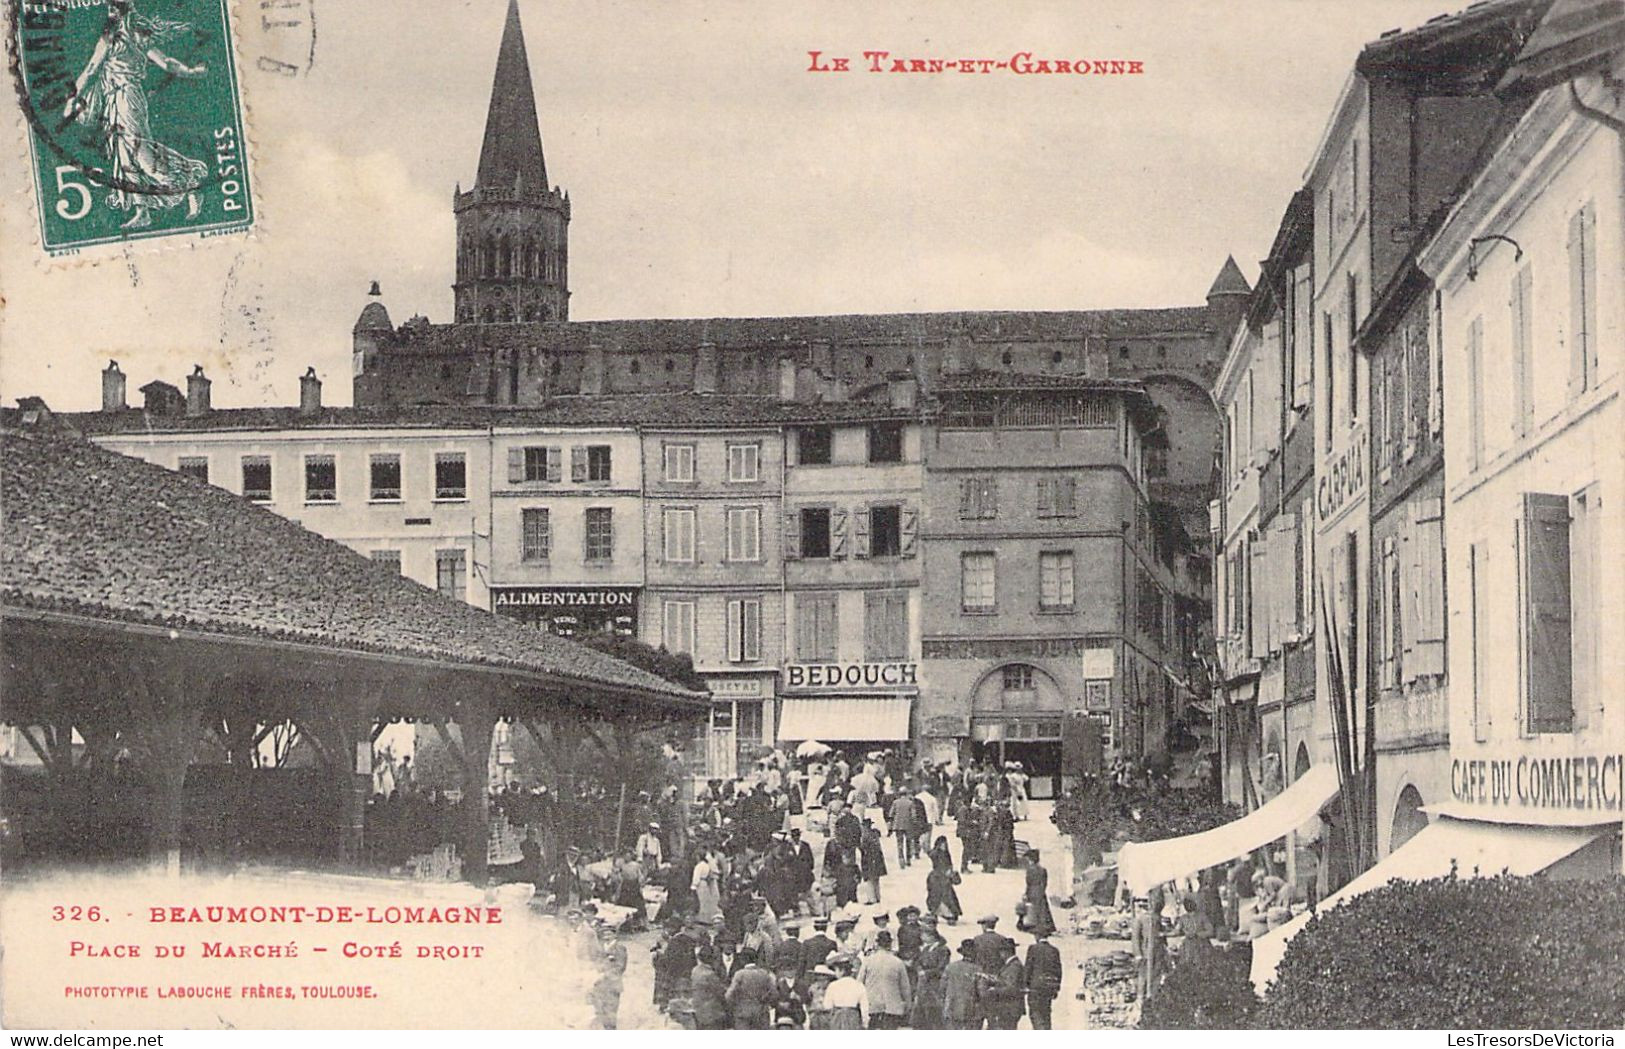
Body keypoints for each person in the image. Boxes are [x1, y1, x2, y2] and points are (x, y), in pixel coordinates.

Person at [64, 3, 209, 230]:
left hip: (128, 98)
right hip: (115, 99)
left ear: (122, 11)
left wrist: (190, 73)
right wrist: (73, 98)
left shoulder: (128, 37)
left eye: (113, 8)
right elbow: (92, 69)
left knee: (141, 155)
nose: (109, 12)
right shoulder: (117, 37)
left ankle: (190, 182)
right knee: (124, 155)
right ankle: (142, 212)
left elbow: (165, 62)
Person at [860, 930, 911, 1029]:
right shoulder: (898, 962)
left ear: (877, 943)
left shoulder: (868, 961)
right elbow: (905, 987)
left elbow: (859, 983)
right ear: (890, 944)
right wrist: (907, 1005)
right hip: (892, 1006)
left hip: (872, 1005)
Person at [1131, 887, 1169, 1004]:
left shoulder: (1158, 918)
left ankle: (1153, 997)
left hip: (1158, 950)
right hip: (1146, 950)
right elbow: (1135, 938)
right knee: (1143, 975)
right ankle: (1141, 998)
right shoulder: (1141, 919)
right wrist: (1138, 954)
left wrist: (1164, 941)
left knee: (1157, 973)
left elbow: (1162, 935)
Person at [910, 917, 949, 1030]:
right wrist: (918, 969)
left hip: (934, 986)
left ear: (931, 937)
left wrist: (926, 973)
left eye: (924, 935)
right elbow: (918, 962)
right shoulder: (926, 949)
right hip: (923, 986)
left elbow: (942, 968)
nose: (922, 938)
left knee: (934, 1014)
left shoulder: (942, 950)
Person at [724, 948, 776, 1029]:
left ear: (743, 959)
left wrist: (734, 1006)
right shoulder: (764, 973)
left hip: (743, 1013)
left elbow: (729, 995)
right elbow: (774, 993)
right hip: (761, 1013)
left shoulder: (739, 974)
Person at [983, 938, 1027, 1029]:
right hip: (1009, 1007)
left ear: (1007, 952)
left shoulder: (1014, 966)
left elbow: (1010, 988)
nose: (1000, 954)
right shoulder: (1011, 965)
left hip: (1010, 1008)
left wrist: (994, 990)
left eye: (1001, 951)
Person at [1024, 928, 1062, 1030]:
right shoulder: (1054, 950)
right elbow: (1058, 971)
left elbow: (1028, 968)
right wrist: (1056, 988)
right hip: (1049, 988)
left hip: (1035, 988)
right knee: (1046, 1014)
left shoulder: (1033, 949)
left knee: (1036, 1015)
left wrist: (1025, 985)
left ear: (1037, 936)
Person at [942, 939, 982, 1030]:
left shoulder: (950, 967)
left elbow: (942, 988)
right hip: (971, 1009)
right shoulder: (977, 969)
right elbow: (981, 991)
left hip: (951, 1007)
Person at [823, 955, 869, 1030]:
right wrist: (865, 1024)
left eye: (836, 970)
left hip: (837, 1018)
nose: (835, 973)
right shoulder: (859, 985)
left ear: (842, 971)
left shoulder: (833, 986)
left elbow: (827, 1006)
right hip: (853, 1018)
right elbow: (865, 1008)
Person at [1019, 848, 1057, 937]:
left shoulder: (1030, 870)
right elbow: (1044, 882)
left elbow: (1028, 883)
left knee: (1033, 909)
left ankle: (1035, 926)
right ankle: (1046, 927)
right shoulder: (1043, 870)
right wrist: (1042, 890)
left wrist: (1026, 893)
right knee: (1043, 909)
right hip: (1040, 890)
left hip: (1032, 890)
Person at [691, 945, 730, 1030]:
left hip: (699, 1011)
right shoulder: (709, 974)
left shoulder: (695, 970)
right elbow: (721, 992)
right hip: (712, 1013)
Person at [926, 836, 964, 923]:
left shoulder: (946, 854)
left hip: (944, 878)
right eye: (942, 844)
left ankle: (947, 913)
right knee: (939, 896)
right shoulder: (936, 853)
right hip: (937, 878)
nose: (944, 846)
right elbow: (931, 855)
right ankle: (940, 913)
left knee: (946, 896)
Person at [888, 788, 919, 868]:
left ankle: (901, 859)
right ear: (906, 794)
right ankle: (908, 859)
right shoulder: (910, 803)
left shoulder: (895, 802)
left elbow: (891, 814)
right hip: (908, 825)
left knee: (899, 843)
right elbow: (913, 815)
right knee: (908, 842)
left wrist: (891, 825)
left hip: (898, 825)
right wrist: (915, 824)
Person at [858, 820, 887, 905]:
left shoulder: (865, 835)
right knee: (876, 879)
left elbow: (863, 847)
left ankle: (872, 898)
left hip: (868, 859)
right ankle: (877, 896)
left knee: (869, 879)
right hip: (878, 858)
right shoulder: (874, 834)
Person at [955, 796, 982, 873]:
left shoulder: (963, 809)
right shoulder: (964, 809)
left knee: (967, 849)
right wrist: (972, 822)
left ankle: (965, 866)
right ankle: (964, 867)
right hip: (965, 832)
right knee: (967, 849)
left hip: (964, 832)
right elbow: (963, 821)